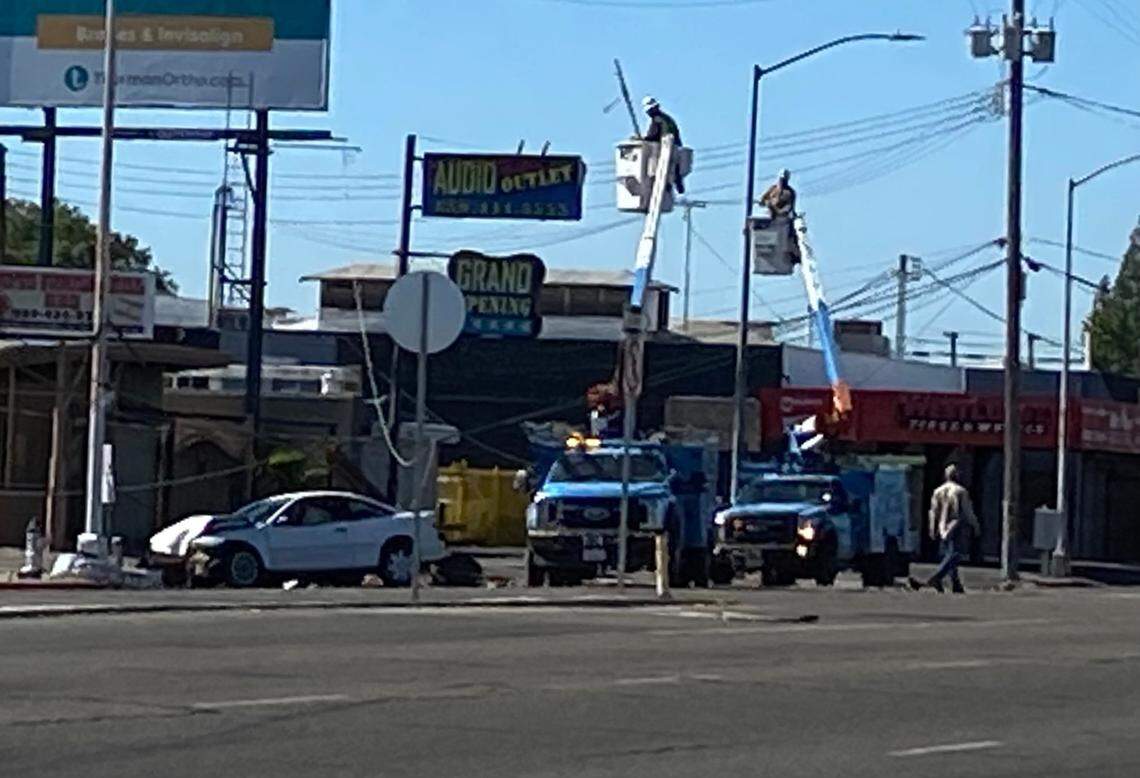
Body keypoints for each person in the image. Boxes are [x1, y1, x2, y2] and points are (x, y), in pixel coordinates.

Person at [910, 464, 980, 593]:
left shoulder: (938, 491)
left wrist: (932, 527)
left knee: (949, 552)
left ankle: (956, 584)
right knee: (955, 554)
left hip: (942, 526)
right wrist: (975, 524)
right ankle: (935, 578)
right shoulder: (961, 491)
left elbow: (933, 511)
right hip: (957, 525)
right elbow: (967, 511)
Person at [642, 96, 685, 194]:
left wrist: (642, 139)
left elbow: (653, 135)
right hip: (675, 149)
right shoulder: (668, 118)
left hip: (665, 149)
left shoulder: (657, 120)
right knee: (673, 170)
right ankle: (676, 184)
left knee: (659, 171)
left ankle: (668, 186)